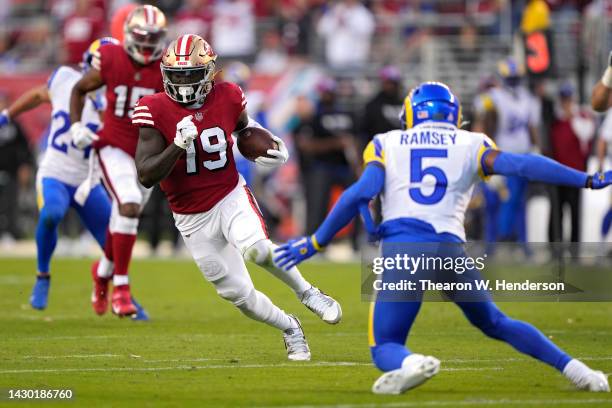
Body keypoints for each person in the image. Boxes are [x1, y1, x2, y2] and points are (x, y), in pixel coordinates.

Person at [274, 82, 611, 394]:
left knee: (385, 346)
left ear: (411, 112)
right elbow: (523, 165)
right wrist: (587, 179)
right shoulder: (472, 143)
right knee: (494, 321)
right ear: (455, 116)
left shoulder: (387, 142)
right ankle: (579, 370)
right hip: (450, 250)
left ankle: (412, 363)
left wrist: (316, 241)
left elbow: (360, 193)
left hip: (405, 247)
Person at [133, 34, 342, 361]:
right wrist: (176, 145)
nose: (183, 82)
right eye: (176, 75)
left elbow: (244, 129)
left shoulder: (229, 95)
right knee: (238, 295)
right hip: (190, 216)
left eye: (190, 74)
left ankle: (309, 293)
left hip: (228, 194)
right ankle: (290, 327)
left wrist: (270, 146)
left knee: (257, 250)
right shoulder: (153, 108)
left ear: (209, 73)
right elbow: (146, 175)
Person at [0, 38, 148, 320]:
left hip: (88, 181)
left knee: (115, 243)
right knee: (51, 214)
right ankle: (43, 276)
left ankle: (121, 294)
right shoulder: (66, 79)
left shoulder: (117, 98)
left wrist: (105, 106)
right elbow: (38, 95)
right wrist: (7, 114)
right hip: (55, 173)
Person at [70, 5, 167, 317]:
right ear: (128, 36)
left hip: (147, 153)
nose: (148, 45)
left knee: (125, 217)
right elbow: (80, 88)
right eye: (143, 37)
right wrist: (77, 126)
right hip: (113, 145)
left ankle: (102, 273)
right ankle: (121, 289)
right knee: (127, 204)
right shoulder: (110, 58)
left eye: (154, 38)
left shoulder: (166, 67)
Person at [481, 58, 540, 253]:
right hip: (502, 156)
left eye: (516, 78)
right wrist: (487, 155)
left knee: (519, 202)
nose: (513, 82)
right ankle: (495, 243)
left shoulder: (527, 97)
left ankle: (521, 245)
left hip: (522, 155)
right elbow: (487, 125)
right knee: (497, 203)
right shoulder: (494, 97)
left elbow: (531, 125)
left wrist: (535, 147)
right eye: (511, 78)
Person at [548, 83, 594, 251]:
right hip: (558, 173)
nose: (566, 103)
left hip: (575, 174)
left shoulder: (581, 118)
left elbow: (586, 134)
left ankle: (574, 248)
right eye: (563, 100)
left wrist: (573, 117)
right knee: (556, 212)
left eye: (568, 99)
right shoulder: (555, 122)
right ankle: (554, 247)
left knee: (575, 213)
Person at [0, 92, 33, 244]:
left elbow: (25, 148)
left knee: (10, 203)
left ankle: (10, 233)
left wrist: (24, 167)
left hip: (11, 171)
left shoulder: (15, 125)